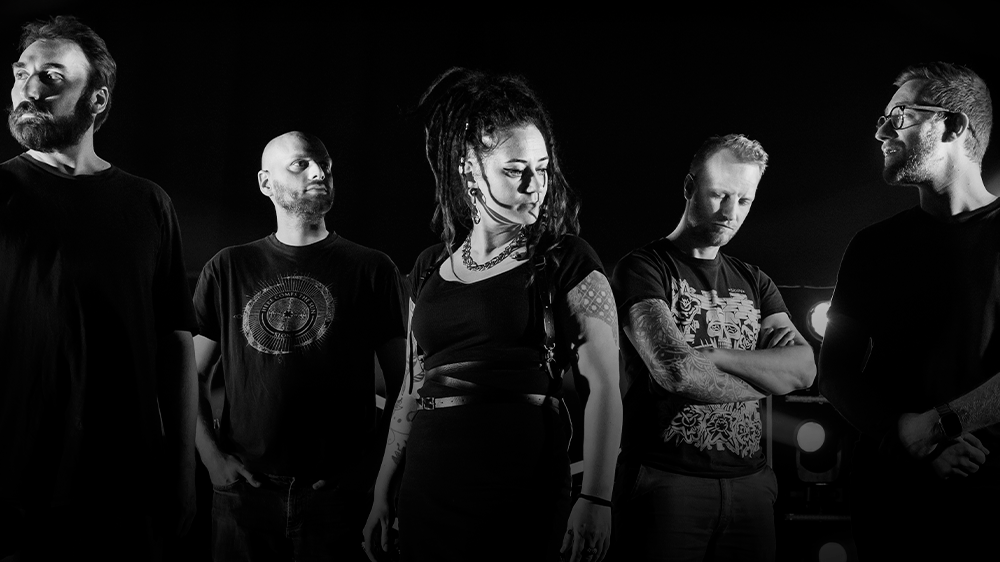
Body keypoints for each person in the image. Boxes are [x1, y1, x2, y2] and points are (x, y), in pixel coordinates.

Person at [362, 68, 623, 562]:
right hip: (428, 486)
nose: (534, 185)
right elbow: (412, 387)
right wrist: (382, 491)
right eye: (515, 169)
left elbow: (604, 385)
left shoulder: (565, 259)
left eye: (543, 168)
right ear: (468, 168)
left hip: (521, 487)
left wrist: (597, 497)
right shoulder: (428, 266)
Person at [0, 15, 198, 561]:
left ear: (98, 99)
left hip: (124, 487)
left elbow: (175, 342)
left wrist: (183, 471)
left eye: (51, 76)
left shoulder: (148, 203)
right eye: (20, 74)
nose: (28, 89)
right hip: (14, 487)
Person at [191, 130, 406, 561]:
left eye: (325, 164)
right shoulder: (227, 267)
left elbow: (406, 382)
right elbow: (190, 373)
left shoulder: (372, 269)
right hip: (245, 495)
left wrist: (371, 471)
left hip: (338, 498)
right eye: (301, 164)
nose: (319, 172)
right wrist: (212, 459)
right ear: (265, 182)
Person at [818, 62, 998, 560]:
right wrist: (902, 435)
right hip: (893, 502)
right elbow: (834, 373)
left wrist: (939, 427)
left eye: (899, 117)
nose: (880, 132)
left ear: (953, 125)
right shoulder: (872, 247)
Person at [610, 134, 816, 562]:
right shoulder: (643, 268)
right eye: (719, 194)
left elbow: (804, 370)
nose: (730, 212)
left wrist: (717, 357)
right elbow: (677, 372)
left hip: (752, 484)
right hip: (666, 482)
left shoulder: (755, 280)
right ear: (689, 186)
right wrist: (769, 378)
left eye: (744, 200)